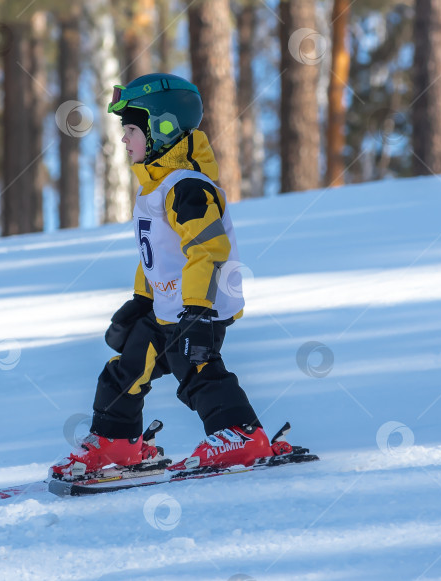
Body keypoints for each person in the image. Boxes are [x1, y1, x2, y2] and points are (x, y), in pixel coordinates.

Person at [52, 73, 274, 478]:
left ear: (163, 127)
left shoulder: (187, 187)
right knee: (124, 369)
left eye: (131, 129)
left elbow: (206, 250)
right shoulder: (154, 190)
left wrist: (196, 309)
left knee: (196, 370)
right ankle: (117, 444)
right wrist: (140, 302)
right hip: (168, 307)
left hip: (197, 307)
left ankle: (241, 434)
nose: (124, 140)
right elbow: (156, 257)